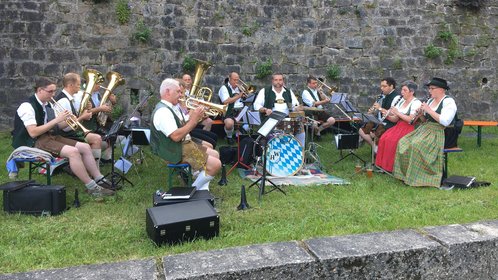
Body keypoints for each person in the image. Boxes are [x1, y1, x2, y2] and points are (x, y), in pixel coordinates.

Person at [11, 77, 115, 196]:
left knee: (85, 147)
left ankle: (98, 178)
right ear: (39, 90)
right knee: (73, 152)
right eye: (50, 91)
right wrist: (56, 120)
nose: (53, 95)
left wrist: (69, 120)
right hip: (32, 141)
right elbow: (33, 132)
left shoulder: (47, 105)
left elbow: (56, 127)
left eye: (54, 91)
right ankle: (92, 187)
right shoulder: (27, 106)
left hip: (49, 136)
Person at [150, 78, 221, 191]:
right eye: (178, 92)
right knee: (216, 165)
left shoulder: (172, 107)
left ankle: (203, 189)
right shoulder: (163, 112)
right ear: (167, 92)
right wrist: (193, 120)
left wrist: (197, 117)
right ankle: (192, 191)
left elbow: (183, 126)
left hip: (183, 145)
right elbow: (176, 137)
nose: (181, 95)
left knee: (215, 154)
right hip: (174, 151)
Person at [393, 77, 457, 187]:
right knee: (403, 142)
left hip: (440, 132)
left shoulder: (448, 102)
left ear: (442, 89)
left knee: (416, 145)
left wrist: (429, 110)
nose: (429, 91)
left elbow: (445, 121)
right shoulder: (431, 100)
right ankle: (405, 175)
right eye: (429, 88)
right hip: (426, 129)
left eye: (432, 88)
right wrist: (421, 115)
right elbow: (425, 120)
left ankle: (423, 178)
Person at [54, 73, 104, 167]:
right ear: (70, 85)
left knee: (98, 138)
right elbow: (65, 128)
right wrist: (82, 117)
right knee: (96, 139)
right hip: (66, 135)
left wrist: (86, 108)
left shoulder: (71, 98)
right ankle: (94, 169)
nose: (80, 87)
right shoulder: (63, 101)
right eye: (78, 84)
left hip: (73, 132)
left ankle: (92, 167)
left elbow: (76, 114)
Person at [375, 80, 421, 173]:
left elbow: (410, 120)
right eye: (402, 90)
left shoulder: (416, 103)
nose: (402, 92)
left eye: (405, 90)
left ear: (411, 92)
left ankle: (393, 168)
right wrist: (386, 113)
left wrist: (397, 112)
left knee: (392, 141)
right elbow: (395, 119)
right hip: (399, 126)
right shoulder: (401, 101)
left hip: (409, 128)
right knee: (384, 138)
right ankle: (383, 166)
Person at [253, 73, 305, 146]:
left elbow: (294, 106)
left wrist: (298, 108)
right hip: (270, 121)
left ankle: (300, 152)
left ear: (283, 81)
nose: (278, 82)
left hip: (286, 120)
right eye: (276, 80)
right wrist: (265, 110)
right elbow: (256, 105)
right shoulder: (265, 91)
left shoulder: (288, 92)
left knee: (301, 129)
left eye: (280, 80)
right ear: (272, 81)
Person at [359, 77, 401, 147]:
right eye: (381, 86)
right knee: (362, 130)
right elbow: (379, 110)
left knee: (375, 132)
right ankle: (375, 148)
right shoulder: (384, 95)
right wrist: (373, 110)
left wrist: (380, 108)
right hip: (381, 120)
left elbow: (392, 113)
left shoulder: (396, 97)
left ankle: (377, 148)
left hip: (390, 123)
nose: (382, 88)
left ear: (391, 86)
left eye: (384, 86)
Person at [218, 72, 244, 144]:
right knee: (229, 123)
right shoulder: (224, 88)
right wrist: (239, 96)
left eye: (237, 80)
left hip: (241, 110)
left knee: (250, 120)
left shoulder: (239, 88)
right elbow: (226, 101)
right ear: (229, 79)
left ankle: (238, 135)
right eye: (234, 80)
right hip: (229, 110)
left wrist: (245, 96)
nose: (236, 82)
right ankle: (229, 137)